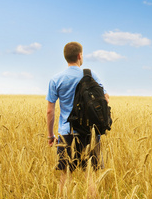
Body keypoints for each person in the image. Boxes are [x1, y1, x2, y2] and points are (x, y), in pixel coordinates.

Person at [46, 42, 109, 173]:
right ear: (80, 55)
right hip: (89, 132)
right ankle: (91, 195)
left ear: (65, 57)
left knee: (65, 175)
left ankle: (64, 195)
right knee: (90, 176)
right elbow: (105, 99)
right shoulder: (90, 75)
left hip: (66, 133)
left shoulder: (56, 79)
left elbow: (49, 111)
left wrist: (50, 135)